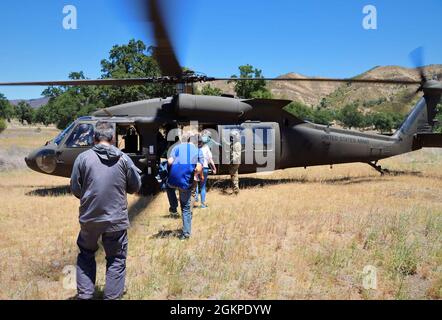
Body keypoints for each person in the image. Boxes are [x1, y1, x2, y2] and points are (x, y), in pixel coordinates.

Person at [70, 121, 142, 300]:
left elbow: (75, 188)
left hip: (89, 218)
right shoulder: (124, 158)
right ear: (112, 138)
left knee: (86, 254)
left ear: (94, 137)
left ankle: (85, 295)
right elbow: (135, 186)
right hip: (116, 219)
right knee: (116, 259)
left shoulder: (83, 158)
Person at [167, 133, 203, 240]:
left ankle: (173, 206)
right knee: (186, 208)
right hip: (185, 182)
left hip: (173, 180)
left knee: (168, 186)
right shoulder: (198, 151)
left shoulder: (177, 147)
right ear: (197, 142)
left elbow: (169, 162)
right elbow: (198, 168)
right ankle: (186, 234)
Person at [194, 132, 217, 208]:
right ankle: (203, 205)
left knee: (195, 184)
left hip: (196, 168)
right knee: (203, 186)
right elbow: (210, 159)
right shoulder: (206, 147)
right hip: (205, 168)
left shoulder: (194, 147)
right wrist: (214, 167)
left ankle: (195, 198)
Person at [229, 129, 242, 195]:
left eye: (232, 137)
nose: (231, 138)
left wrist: (232, 160)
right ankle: (235, 189)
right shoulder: (235, 143)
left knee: (234, 176)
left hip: (235, 162)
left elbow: (237, 154)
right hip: (235, 161)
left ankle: (236, 190)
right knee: (234, 175)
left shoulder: (237, 144)